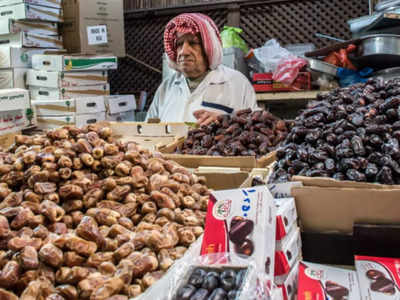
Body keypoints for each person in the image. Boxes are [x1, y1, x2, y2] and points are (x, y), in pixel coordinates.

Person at [146, 13, 258, 125]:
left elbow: (256, 128)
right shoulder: (166, 87)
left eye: (193, 43)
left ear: (208, 48)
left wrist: (226, 121)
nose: (183, 52)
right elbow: (147, 129)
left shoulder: (237, 82)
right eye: (179, 44)